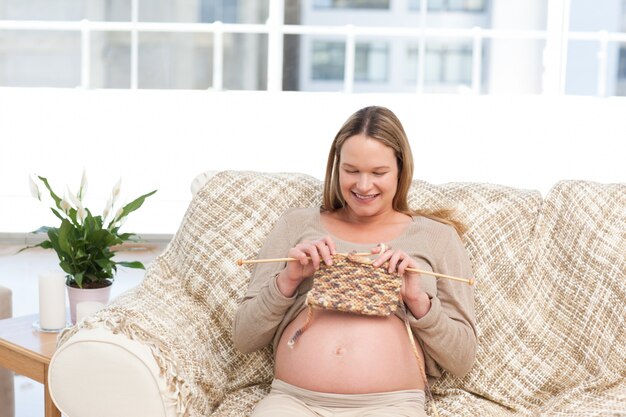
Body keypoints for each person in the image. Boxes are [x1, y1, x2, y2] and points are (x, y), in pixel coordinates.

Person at [233, 106, 477, 417]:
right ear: (335, 168)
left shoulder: (436, 237)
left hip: (391, 405)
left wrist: (418, 300)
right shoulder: (296, 225)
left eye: (378, 173)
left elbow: (462, 359)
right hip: (293, 402)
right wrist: (288, 281)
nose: (363, 186)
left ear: (402, 170)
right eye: (351, 171)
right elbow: (244, 337)